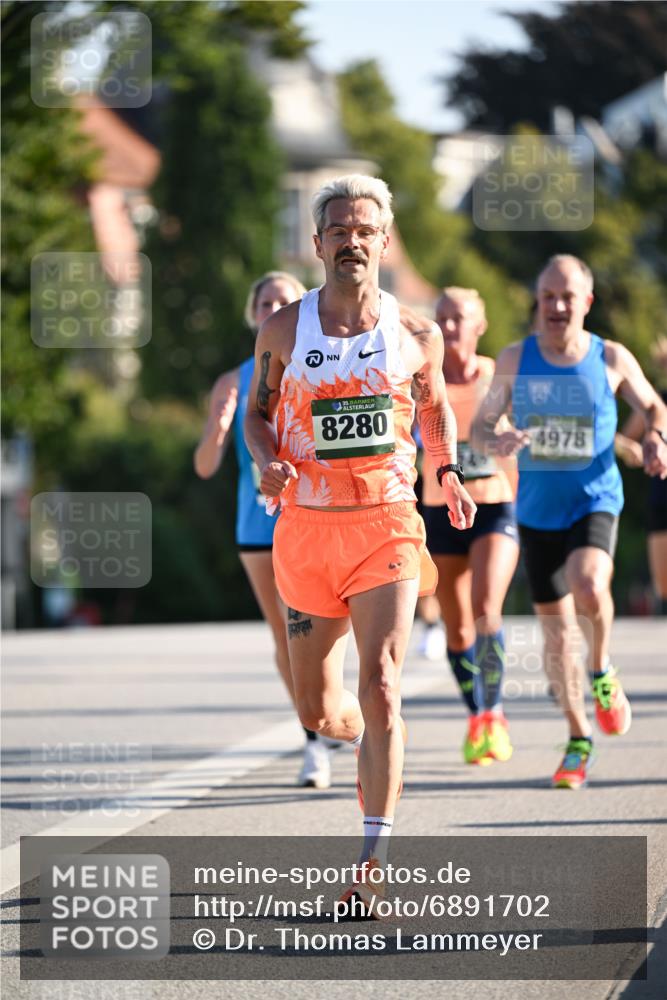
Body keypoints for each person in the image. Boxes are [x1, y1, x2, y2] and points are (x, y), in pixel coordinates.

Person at [244, 175, 476, 910]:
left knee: (380, 684)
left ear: (384, 239)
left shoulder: (416, 334)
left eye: (364, 230)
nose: (352, 241)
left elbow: (434, 411)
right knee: (318, 711)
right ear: (317, 244)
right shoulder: (284, 331)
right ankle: (367, 741)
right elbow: (256, 416)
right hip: (307, 532)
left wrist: (447, 471)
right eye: (338, 230)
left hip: (387, 525)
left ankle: (372, 860)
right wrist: (267, 459)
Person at [471, 254, 667, 789]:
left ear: (587, 302)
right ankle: (579, 738)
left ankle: (601, 668)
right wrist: (497, 438)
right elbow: (481, 426)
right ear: (539, 301)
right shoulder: (515, 358)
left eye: (567, 296)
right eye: (548, 296)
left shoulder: (611, 357)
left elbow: (654, 407)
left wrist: (655, 437)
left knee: (588, 583)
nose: (556, 306)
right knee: (557, 639)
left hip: (594, 499)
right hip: (537, 513)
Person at [194, 271, 340, 790]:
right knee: (287, 633)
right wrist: (217, 429)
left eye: (285, 301)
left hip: (317, 515)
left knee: (325, 627)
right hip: (258, 523)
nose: (274, 310)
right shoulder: (233, 381)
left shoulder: (322, 365)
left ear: (302, 309)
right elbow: (205, 467)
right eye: (265, 303)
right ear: (253, 314)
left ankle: (336, 709)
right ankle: (314, 740)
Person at [422, 287, 519, 765]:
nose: (448, 327)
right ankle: (477, 715)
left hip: (494, 506)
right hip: (438, 509)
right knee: (457, 629)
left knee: (485, 609)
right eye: (441, 318)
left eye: (458, 318)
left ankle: (493, 713)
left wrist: (512, 440)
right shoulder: (422, 380)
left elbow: (523, 435)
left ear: (479, 326)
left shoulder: (497, 378)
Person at [615, 336, 667, 614]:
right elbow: (620, 439)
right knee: (664, 586)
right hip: (662, 498)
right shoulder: (656, 405)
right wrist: (631, 450)